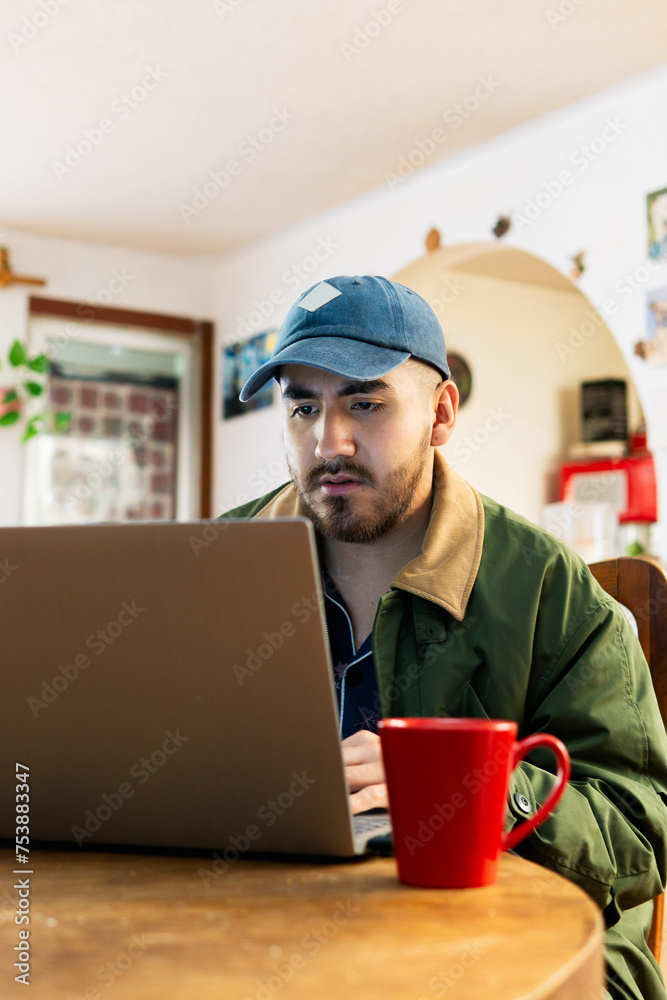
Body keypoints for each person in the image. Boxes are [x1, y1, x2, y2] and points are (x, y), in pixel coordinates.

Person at [219, 274, 667, 1000]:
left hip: (507, 947)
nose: (328, 440)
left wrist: (462, 793)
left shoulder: (547, 586)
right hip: (265, 926)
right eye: (303, 406)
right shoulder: (213, 559)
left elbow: (641, 830)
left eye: (363, 402)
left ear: (441, 412)